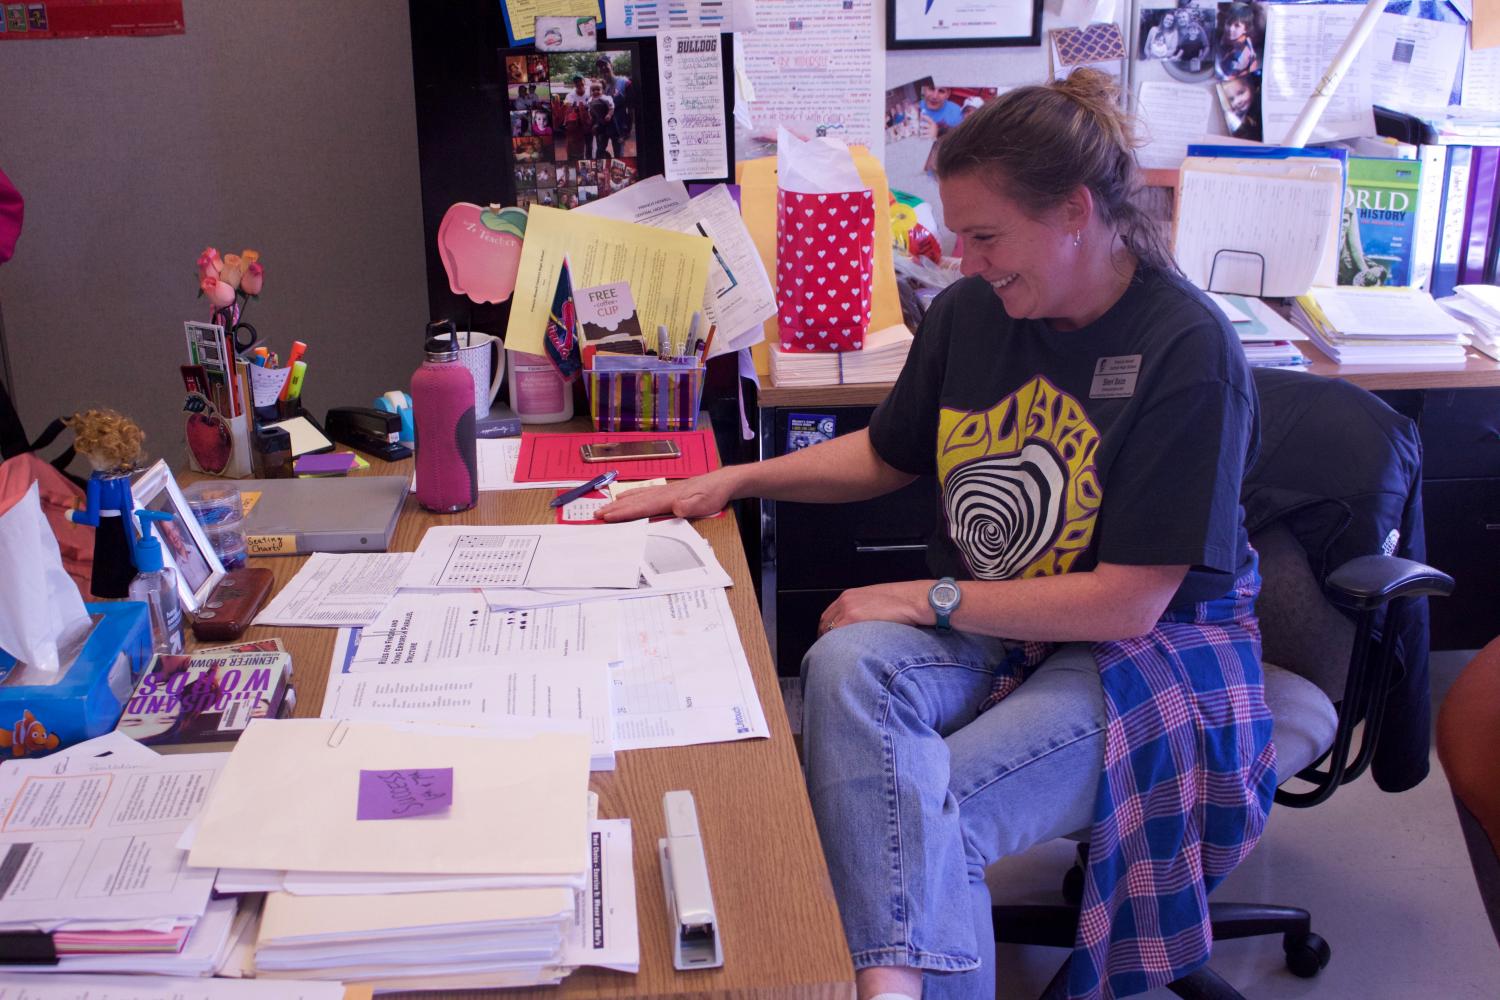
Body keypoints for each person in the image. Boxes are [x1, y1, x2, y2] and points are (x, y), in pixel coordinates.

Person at [598, 68, 1275, 1000]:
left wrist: (928, 595)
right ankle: (896, 987)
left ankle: (890, 987)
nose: (964, 259)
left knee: (920, 817)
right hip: (1005, 623)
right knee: (845, 664)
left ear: (1076, 211)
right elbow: (886, 452)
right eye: (959, 234)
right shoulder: (973, 312)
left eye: (986, 236)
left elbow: (1129, 598)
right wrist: (733, 479)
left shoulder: (1187, 348)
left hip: (1146, 651)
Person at [595, 54, 632, 157]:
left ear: (611, 65)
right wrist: (596, 124)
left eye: (605, 64)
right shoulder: (600, 87)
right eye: (600, 66)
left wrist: (628, 130)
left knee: (619, 157)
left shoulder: (625, 83)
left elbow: (631, 109)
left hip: (618, 129)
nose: (603, 68)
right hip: (603, 128)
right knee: (599, 154)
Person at [1217, 4, 1260, 79]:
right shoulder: (1237, 38)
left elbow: (1225, 75)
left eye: (1237, 26)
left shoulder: (1238, 55)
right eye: (1228, 23)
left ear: (1246, 29)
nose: (1230, 29)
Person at [586, 81, 614, 160]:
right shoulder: (590, 100)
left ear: (602, 90)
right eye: (593, 90)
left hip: (605, 124)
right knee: (599, 143)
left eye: (598, 89)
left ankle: (600, 157)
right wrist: (590, 117)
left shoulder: (605, 98)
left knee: (602, 144)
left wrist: (609, 114)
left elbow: (611, 107)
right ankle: (600, 157)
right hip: (596, 124)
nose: (595, 92)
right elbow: (589, 110)